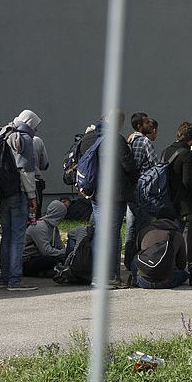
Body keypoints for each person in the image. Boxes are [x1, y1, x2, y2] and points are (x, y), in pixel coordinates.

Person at [77, 112, 138, 286]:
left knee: (99, 232)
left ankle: (96, 273)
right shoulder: (116, 140)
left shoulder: (89, 137)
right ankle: (109, 276)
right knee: (111, 234)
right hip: (114, 194)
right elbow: (129, 166)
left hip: (95, 193)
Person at [0, 110, 42, 291]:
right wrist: (32, 196)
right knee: (17, 238)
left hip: (3, 192)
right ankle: (15, 280)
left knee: (6, 235)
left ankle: (4, 277)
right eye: (35, 125)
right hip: (19, 192)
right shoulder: (24, 139)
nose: (36, 130)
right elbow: (26, 171)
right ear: (29, 123)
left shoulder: (4, 134)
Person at [161, 121, 192, 260]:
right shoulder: (186, 154)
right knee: (185, 233)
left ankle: (169, 261)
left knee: (170, 232)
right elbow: (187, 180)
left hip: (167, 197)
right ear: (191, 138)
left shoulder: (166, 151)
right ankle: (183, 263)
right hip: (183, 201)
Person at [125, 112, 158, 262]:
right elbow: (155, 165)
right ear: (139, 126)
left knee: (131, 226)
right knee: (144, 225)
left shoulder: (129, 140)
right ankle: (141, 258)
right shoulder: (144, 141)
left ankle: (128, 257)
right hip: (143, 189)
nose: (150, 125)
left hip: (130, 189)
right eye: (146, 123)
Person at [23, 199, 69, 277]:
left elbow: (59, 245)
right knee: (51, 259)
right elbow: (46, 251)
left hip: (38, 257)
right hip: (26, 261)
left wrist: (67, 254)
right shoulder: (38, 227)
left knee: (62, 258)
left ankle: (51, 271)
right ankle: (44, 272)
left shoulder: (53, 228)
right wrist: (65, 253)